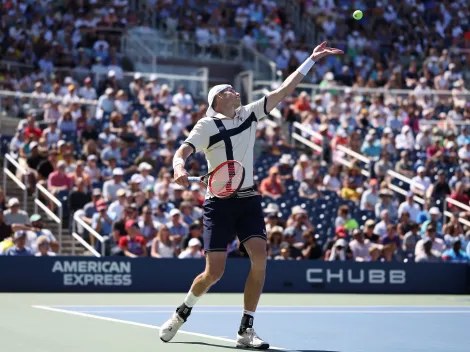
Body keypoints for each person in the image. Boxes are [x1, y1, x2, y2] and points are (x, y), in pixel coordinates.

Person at [160, 41, 343, 349]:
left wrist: (310, 60)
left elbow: (284, 90)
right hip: (218, 203)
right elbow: (184, 150)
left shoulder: (249, 114)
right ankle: (182, 312)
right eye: (229, 89)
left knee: (260, 259)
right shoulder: (206, 125)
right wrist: (179, 166)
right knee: (213, 272)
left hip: (247, 199)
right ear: (218, 99)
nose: (236, 90)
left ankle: (246, 329)